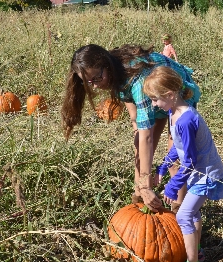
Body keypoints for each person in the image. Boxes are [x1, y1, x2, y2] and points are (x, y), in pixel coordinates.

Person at [61, 44, 201, 212]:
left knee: (174, 160)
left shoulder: (137, 80)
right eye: (89, 82)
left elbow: (147, 136)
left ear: (107, 66)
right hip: (153, 99)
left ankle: (179, 208)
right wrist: (141, 186)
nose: (95, 86)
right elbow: (134, 114)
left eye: (97, 79)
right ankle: (139, 202)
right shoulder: (116, 73)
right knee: (139, 146)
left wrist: (146, 182)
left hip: (176, 96)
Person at [143, 66, 223, 262]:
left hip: (205, 174)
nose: (154, 105)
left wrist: (173, 185)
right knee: (193, 213)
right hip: (197, 172)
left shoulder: (186, 120)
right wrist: (164, 167)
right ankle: (196, 252)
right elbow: (178, 149)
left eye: (155, 99)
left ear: (170, 95)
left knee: (183, 216)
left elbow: (189, 161)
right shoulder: (174, 112)